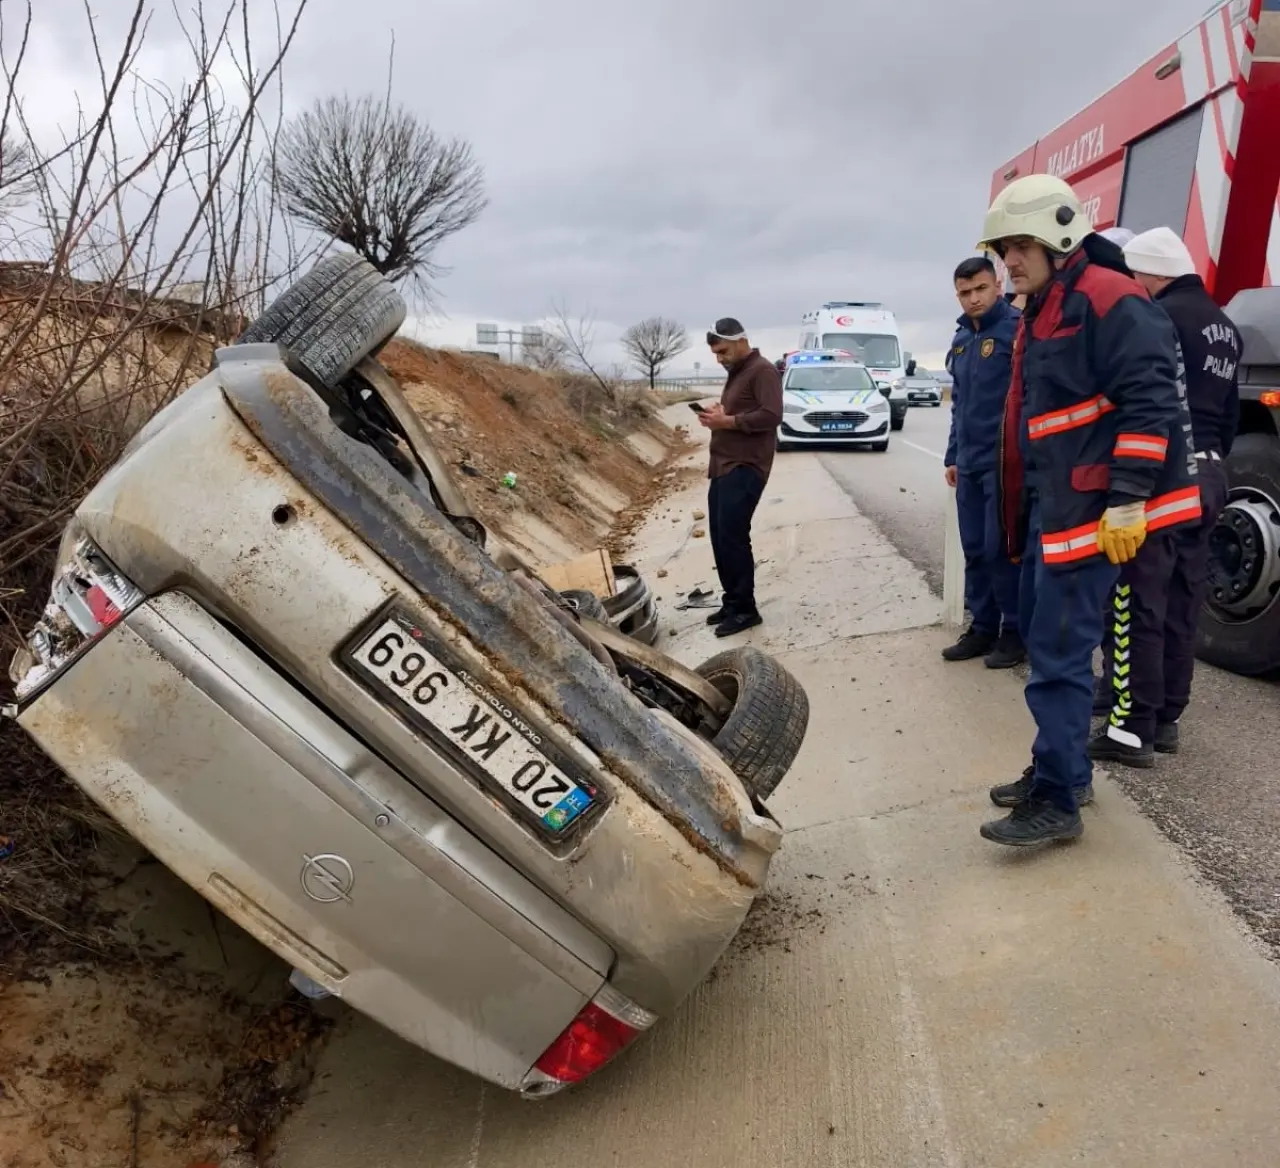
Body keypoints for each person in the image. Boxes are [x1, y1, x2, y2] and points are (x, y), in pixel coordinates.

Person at [977, 175, 1202, 847]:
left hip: (1097, 514)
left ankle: (1058, 797)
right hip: (1065, 508)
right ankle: (1064, 770)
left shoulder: (1107, 297)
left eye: (1020, 246)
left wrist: (1130, 500)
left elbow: (1150, 401)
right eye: (1003, 249)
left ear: (1061, 235)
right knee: (1057, 648)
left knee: (1059, 654)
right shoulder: (1049, 304)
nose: (1009, 261)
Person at [1086, 226, 1241, 766]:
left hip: (1165, 472)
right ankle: (1169, 713)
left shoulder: (1158, 315)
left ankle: (1130, 726)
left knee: (1133, 599)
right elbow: (1231, 415)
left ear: (1151, 274)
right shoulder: (1224, 324)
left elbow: (1146, 397)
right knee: (1182, 598)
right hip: (1212, 474)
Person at [942, 256, 1025, 668]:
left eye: (980, 289)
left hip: (1006, 462)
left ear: (998, 284)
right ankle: (982, 628)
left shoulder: (1016, 329)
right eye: (964, 292)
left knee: (1002, 548)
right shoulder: (961, 340)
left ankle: (1014, 632)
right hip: (971, 463)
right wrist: (953, 455)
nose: (973, 299)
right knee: (973, 548)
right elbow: (959, 404)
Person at [699, 318, 784, 637]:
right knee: (720, 537)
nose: (719, 358)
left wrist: (729, 421)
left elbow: (772, 414)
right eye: (715, 354)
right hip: (723, 465)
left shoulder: (762, 370)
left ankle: (746, 609)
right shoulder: (737, 372)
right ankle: (732, 602)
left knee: (734, 537)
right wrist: (717, 416)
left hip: (746, 466)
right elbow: (739, 413)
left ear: (739, 341)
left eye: (722, 351)